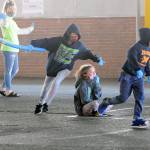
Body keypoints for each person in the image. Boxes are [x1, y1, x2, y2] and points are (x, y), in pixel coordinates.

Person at [31, 23, 105, 114]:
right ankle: (40, 103)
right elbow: (45, 42)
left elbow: (87, 53)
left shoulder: (79, 46)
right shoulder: (58, 41)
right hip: (52, 67)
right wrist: (33, 44)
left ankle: (46, 104)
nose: (75, 37)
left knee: (56, 82)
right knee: (46, 85)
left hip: (65, 68)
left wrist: (96, 59)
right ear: (68, 34)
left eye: (76, 36)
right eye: (73, 35)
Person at [98, 28, 150, 128]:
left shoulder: (148, 49)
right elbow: (131, 57)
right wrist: (137, 69)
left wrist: (148, 73)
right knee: (123, 98)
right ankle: (106, 102)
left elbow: (146, 62)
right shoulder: (135, 47)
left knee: (140, 98)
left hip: (139, 79)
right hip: (128, 76)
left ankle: (137, 119)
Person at [0, 0, 34, 97]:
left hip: (15, 49)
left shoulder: (13, 21)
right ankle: (8, 90)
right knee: (9, 71)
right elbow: (4, 24)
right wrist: (3, 15)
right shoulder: (4, 20)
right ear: (6, 9)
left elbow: (19, 31)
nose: (13, 10)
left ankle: (3, 88)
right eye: (11, 8)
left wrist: (30, 29)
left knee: (15, 70)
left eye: (14, 8)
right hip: (8, 48)